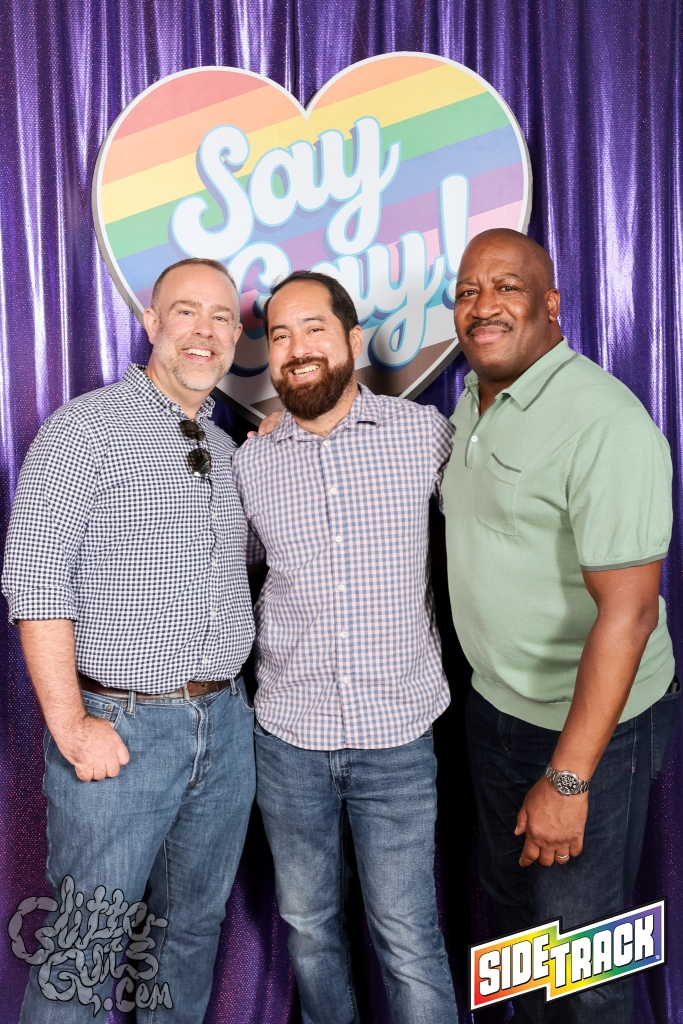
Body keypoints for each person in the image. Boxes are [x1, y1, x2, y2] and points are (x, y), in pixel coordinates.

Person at [2, 258, 256, 1023]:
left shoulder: (232, 450)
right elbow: (34, 579)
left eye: (221, 317)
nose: (204, 331)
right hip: (122, 729)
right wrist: (72, 725)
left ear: (235, 335)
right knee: (84, 951)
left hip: (226, 730)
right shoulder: (85, 428)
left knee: (189, 941)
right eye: (186, 312)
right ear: (151, 323)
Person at [442, 228, 678, 1023]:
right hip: (495, 713)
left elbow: (630, 612)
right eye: (467, 291)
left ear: (550, 304)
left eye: (505, 287)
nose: (482, 306)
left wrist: (569, 779)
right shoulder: (474, 402)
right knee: (521, 944)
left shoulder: (604, 422)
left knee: (583, 963)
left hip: (589, 735)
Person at [232, 270, 458, 1024]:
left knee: (407, 936)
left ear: (353, 339)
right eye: (280, 335)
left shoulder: (422, 434)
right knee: (308, 930)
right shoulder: (251, 462)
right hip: (288, 741)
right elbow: (231, 576)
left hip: (398, 738)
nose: (296, 348)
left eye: (314, 329)